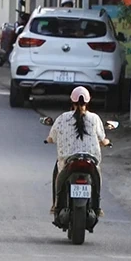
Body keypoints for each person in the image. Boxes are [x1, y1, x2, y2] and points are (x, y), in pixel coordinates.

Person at [46, 86, 109, 216]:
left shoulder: (63, 118)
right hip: (91, 161)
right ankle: (97, 207)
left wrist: (49, 139)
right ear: (88, 101)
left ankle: (56, 205)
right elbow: (102, 140)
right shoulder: (94, 118)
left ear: (71, 101)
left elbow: (52, 138)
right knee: (97, 180)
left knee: (58, 175)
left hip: (68, 161)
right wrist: (106, 142)